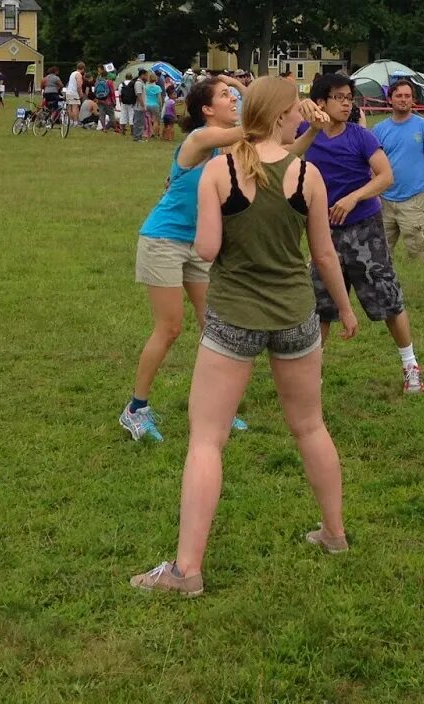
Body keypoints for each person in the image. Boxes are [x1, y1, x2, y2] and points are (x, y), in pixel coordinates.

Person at [129, 77, 358, 597]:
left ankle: (187, 571)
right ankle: (334, 534)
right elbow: (323, 254)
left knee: (207, 439)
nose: (306, 116)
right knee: (310, 426)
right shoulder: (308, 174)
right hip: (296, 316)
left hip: (233, 317)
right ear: (283, 115)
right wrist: (344, 309)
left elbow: (206, 250)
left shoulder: (221, 169)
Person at [123, 76, 327, 443]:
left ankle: (217, 408)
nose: (233, 100)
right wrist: (276, 104)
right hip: (164, 239)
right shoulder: (200, 140)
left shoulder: (236, 149)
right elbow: (260, 126)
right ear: (206, 109)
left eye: (235, 96)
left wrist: (309, 126)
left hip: (205, 245)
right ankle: (136, 408)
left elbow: (283, 151)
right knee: (169, 328)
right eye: (224, 96)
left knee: (213, 328)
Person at [302, 73, 423, 393]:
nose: (346, 103)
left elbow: (385, 177)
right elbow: (273, 128)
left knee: (387, 298)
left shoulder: (361, 136)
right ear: (321, 102)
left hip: (364, 229)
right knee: (320, 305)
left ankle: (410, 365)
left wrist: (355, 196)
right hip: (323, 231)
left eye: (349, 97)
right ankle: (313, 372)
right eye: (339, 97)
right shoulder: (306, 132)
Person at [373, 79, 424, 303]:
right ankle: (384, 290)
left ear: (413, 99)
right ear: (390, 99)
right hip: (385, 200)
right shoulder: (379, 130)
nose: (404, 100)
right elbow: (372, 164)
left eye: (407, 96)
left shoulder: (422, 126)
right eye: (399, 96)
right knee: (381, 249)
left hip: (413, 200)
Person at [144, 73, 164, 141]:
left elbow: (145, 96)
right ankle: (154, 133)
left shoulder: (146, 87)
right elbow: (159, 99)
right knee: (156, 120)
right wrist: (161, 106)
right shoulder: (158, 87)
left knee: (149, 120)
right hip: (155, 104)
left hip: (147, 104)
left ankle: (149, 132)